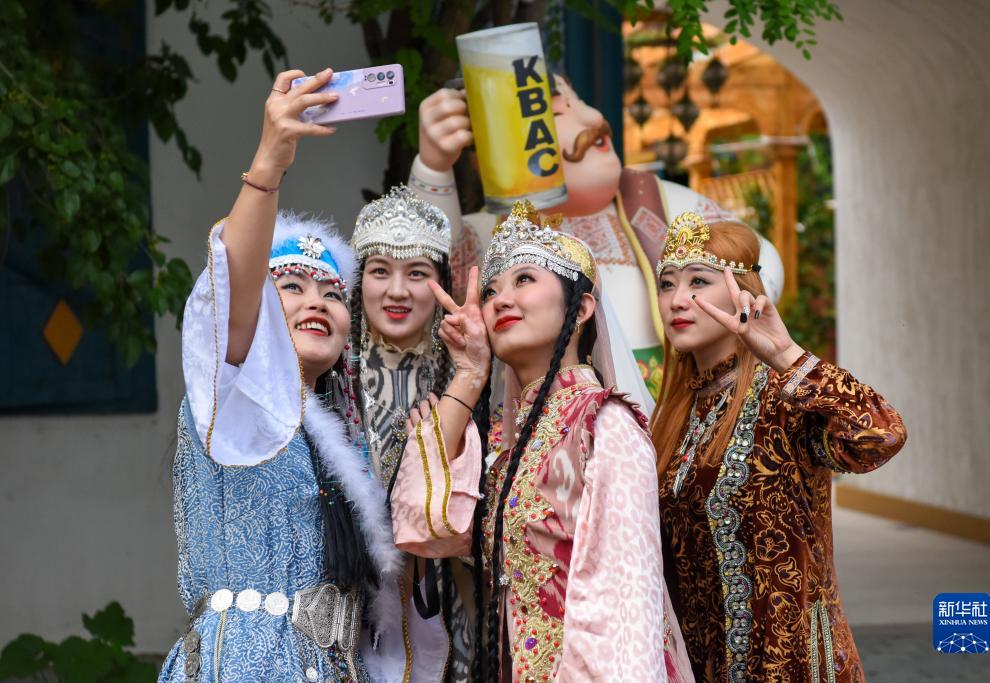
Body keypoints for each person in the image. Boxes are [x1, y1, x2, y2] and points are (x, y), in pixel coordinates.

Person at [159, 68, 408, 683]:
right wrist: (270, 159)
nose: (316, 301)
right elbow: (235, 288)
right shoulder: (235, 394)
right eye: (290, 287)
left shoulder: (346, 435)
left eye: (333, 294)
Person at [389, 201, 695, 682]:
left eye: (525, 279)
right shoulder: (506, 441)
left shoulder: (605, 425)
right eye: (491, 291)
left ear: (582, 308)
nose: (500, 300)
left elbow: (627, 612)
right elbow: (423, 524)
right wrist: (470, 373)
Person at [407, 75, 784, 399]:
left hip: (678, 398)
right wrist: (433, 168)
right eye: (560, 113)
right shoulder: (501, 233)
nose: (594, 118)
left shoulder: (655, 202)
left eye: (581, 103)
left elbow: (757, 262)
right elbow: (427, 269)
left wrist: (722, 329)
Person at [652, 213, 908, 682]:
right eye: (666, 284)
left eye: (698, 281)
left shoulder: (783, 397)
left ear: (742, 293)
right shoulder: (671, 415)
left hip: (791, 664)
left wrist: (788, 355)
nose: (677, 300)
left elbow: (880, 436)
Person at [349, 185, 474, 681]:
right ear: (358, 281)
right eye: (380, 271)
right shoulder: (328, 374)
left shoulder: (470, 375)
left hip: (443, 596)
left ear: (442, 284)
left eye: (417, 273)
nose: (397, 291)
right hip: (349, 599)